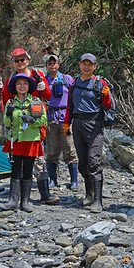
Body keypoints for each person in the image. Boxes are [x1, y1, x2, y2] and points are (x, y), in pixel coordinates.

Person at [0, 48, 60, 205]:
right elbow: (6, 100)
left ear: (28, 60)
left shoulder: (37, 75)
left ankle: (44, 193)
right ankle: (18, 198)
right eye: (16, 60)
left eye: (22, 59)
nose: (20, 63)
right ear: (12, 62)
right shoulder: (11, 78)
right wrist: (0, 92)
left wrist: (43, 88)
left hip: (36, 120)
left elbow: (48, 96)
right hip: (17, 124)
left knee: (38, 157)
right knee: (18, 160)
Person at [63, 53, 114, 213]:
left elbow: (108, 105)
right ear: (80, 65)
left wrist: (106, 96)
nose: (86, 66)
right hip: (77, 124)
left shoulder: (100, 83)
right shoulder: (74, 83)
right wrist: (66, 123)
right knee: (83, 162)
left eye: (89, 64)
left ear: (94, 66)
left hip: (94, 124)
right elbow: (70, 106)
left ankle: (98, 201)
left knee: (94, 162)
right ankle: (89, 193)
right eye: (84, 63)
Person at [0, 74, 48, 212]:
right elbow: (7, 123)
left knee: (27, 171)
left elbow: (43, 121)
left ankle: (25, 202)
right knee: (15, 171)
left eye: (25, 83)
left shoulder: (35, 101)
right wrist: (8, 114)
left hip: (31, 141)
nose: (22, 86)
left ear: (29, 86)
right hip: (16, 140)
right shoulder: (10, 103)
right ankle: (13, 201)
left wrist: (33, 121)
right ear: (15, 87)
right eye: (19, 83)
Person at [43, 54, 79, 191]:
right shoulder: (44, 81)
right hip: (50, 118)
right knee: (52, 150)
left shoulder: (67, 79)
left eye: (54, 63)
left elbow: (75, 93)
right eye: (49, 63)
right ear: (47, 66)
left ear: (58, 65)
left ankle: (74, 181)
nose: (52, 65)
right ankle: (53, 180)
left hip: (65, 118)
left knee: (69, 148)